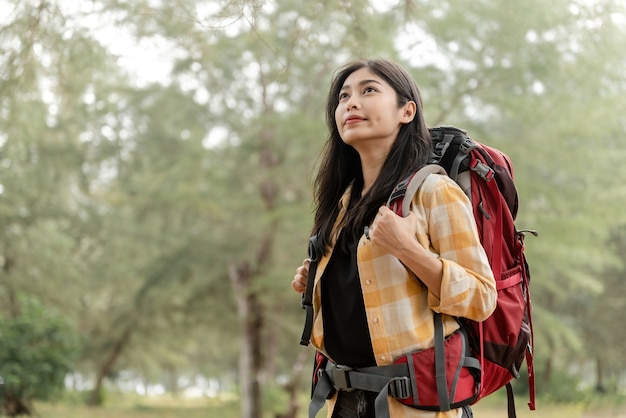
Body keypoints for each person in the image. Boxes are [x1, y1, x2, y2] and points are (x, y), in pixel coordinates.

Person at [291, 58, 497, 418]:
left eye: (368, 90)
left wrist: (408, 250)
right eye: (343, 97)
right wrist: (317, 284)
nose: (350, 103)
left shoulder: (433, 192)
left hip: (412, 407)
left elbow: (482, 297)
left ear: (406, 111)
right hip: (344, 404)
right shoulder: (341, 205)